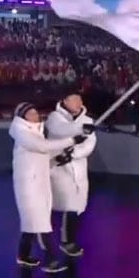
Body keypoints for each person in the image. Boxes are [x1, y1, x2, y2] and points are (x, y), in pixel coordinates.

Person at [9, 102, 86, 273]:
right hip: (29, 186)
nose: (36, 116)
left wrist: (62, 154)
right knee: (40, 222)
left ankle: (23, 256)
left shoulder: (34, 133)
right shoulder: (23, 133)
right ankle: (50, 259)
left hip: (38, 184)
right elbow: (42, 146)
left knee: (31, 223)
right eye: (31, 114)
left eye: (36, 113)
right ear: (23, 117)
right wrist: (71, 140)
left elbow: (45, 152)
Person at [46, 94, 97, 257]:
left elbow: (90, 143)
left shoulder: (87, 121)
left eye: (80, 100)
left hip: (78, 168)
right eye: (74, 100)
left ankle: (68, 241)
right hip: (58, 167)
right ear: (65, 101)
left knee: (75, 207)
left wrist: (74, 153)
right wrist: (80, 130)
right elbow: (61, 130)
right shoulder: (55, 118)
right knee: (54, 206)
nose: (79, 103)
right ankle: (42, 239)